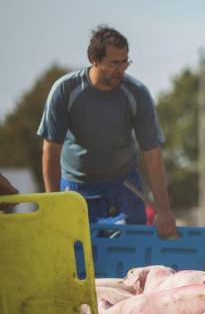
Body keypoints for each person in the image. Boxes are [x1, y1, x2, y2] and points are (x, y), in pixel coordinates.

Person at [37, 25, 177, 236]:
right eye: (114, 63)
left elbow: (152, 154)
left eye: (125, 62)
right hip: (77, 186)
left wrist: (164, 210)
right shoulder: (65, 91)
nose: (121, 69)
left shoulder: (137, 94)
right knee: (79, 250)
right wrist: (53, 205)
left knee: (133, 248)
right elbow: (51, 151)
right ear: (95, 59)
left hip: (124, 183)